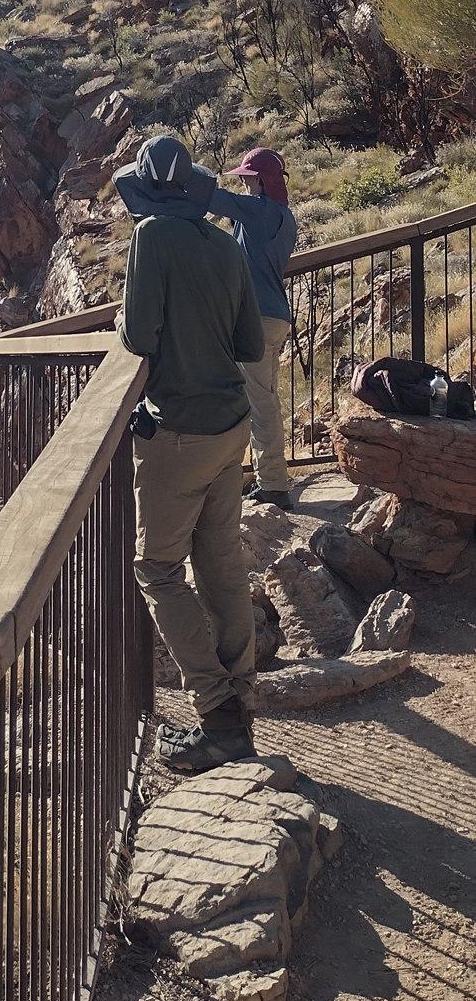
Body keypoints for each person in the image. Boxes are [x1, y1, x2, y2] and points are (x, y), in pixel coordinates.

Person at [114, 135, 265, 772]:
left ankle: (215, 712)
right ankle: (241, 705)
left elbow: (139, 333)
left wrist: (125, 325)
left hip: (177, 432)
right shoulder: (226, 245)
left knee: (158, 571)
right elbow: (250, 343)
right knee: (222, 564)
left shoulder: (151, 238)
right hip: (232, 425)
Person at [210, 149, 297, 509]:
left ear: (260, 181)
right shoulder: (283, 216)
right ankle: (270, 478)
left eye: (247, 177)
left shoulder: (259, 210)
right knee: (266, 401)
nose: (243, 183)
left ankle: (273, 485)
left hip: (255, 319)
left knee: (258, 404)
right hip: (274, 316)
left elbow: (214, 199)